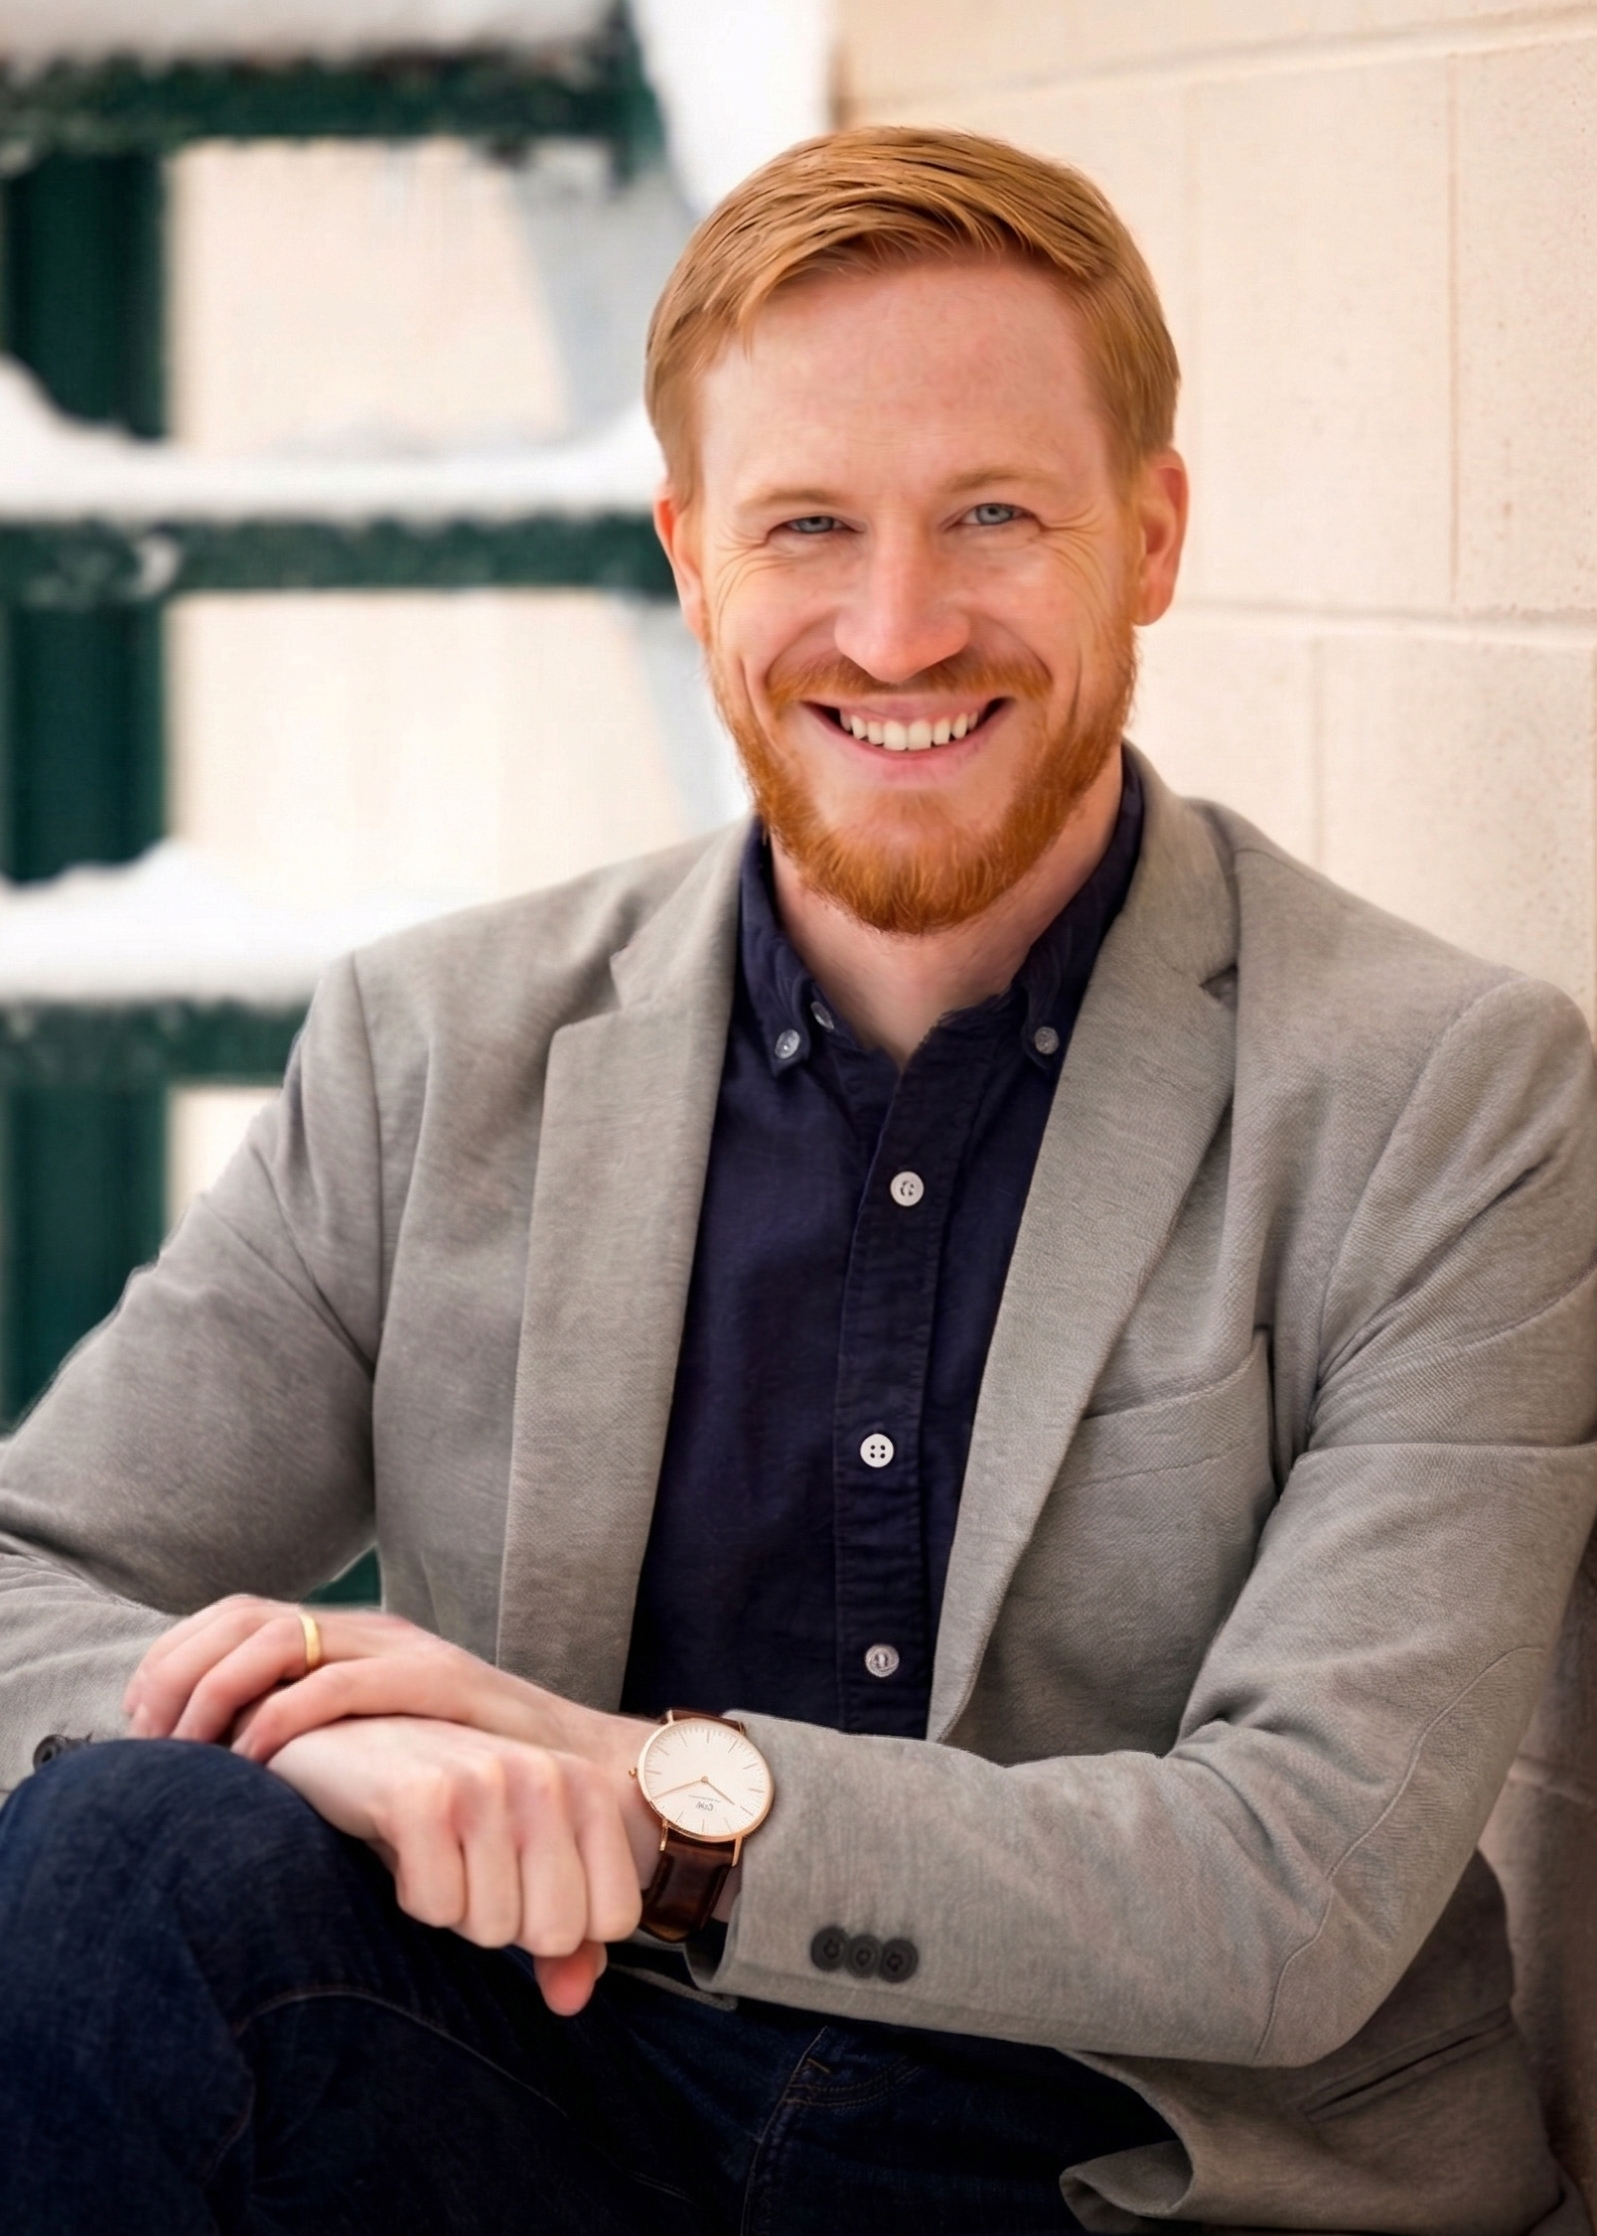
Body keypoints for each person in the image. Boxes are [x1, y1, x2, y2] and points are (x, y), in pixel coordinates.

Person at [0, 126, 1593, 2236]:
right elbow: (36, 1571)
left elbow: (1296, 1882)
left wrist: (650, 1801)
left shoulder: (1445, 1093)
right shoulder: (434, 1047)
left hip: (1131, 2165)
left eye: (995, 515)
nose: (901, 625)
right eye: (809, 523)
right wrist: (309, 1744)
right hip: (568, 2103)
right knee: (125, 1871)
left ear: (1152, 534)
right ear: (690, 555)